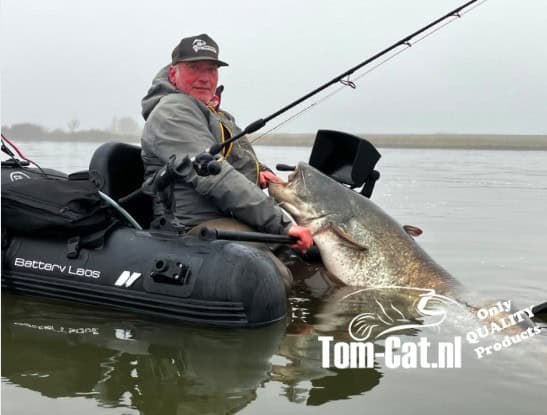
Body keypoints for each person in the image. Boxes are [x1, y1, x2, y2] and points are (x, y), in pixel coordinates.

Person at [141, 33, 312, 254]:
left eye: (211, 69)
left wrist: (259, 170)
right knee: (272, 255)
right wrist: (282, 225)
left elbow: (235, 157)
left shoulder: (211, 112)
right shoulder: (172, 112)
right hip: (190, 227)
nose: (205, 78)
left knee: (301, 252)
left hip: (225, 216)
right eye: (195, 68)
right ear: (173, 74)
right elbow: (216, 176)